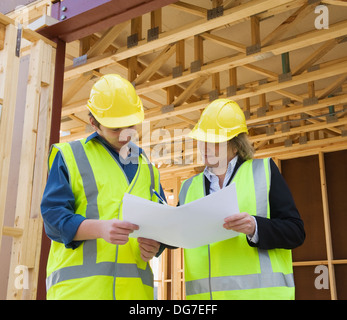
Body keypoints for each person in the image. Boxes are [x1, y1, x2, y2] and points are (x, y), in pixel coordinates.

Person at [41, 74, 167, 300]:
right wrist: (100, 229)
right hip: (79, 293)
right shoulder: (70, 156)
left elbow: (164, 221)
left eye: (129, 126)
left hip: (136, 295)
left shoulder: (147, 167)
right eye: (115, 128)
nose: (124, 134)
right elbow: (53, 219)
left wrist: (156, 245)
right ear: (93, 123)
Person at [178, 98, 305, 300]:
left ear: (236, 145)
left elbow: (296, 232)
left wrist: (255, 227)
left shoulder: (263, 172)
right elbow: (175, 233)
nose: (205, 147)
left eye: (215, 141)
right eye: (202, 140)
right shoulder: (188, 188)